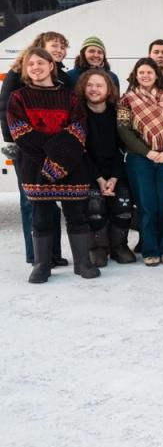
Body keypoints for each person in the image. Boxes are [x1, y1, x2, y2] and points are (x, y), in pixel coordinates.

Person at [7, 47, 99, 282]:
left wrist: (59, 160)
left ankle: (82, 263)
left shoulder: (69, 97)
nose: (35, 68)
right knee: (41, 217)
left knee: (77, 215)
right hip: (35, 165)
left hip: (72, 164)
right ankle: (42, 265)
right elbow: (20, 132)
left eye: (40, 63)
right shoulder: (18, 97)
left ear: (51, 66)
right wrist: (51, 159)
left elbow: (78, 129)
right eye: (30, 64)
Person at [0, 32, 70, 267]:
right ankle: (36, 256)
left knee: (52, 199)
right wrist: (11, 140)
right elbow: (4, 107)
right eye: (54, 46)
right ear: (40, 47)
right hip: (27, 149)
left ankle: (54, 254)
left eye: (62, 47)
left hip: (54, 150)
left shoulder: (61, 75)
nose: (59, 49)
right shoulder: (18, 73)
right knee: (30, 201)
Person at [117, 58, 163, 267]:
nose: (145, 76)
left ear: (157, 75)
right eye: (141, 73)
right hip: (140, 159)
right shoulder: (126, 99)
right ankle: (149, 249)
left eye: (149, 72)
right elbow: (124, 129)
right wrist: (147, 152)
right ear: (135, 75)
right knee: (147, 205)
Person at [76, 70, 136, 266]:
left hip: (117, 171)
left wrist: (114, 178)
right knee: (95, 209)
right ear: (83, 88)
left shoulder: (119, 113)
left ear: (109, 89)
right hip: (89, 171)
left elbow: (124, 146)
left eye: (99, 85)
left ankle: (119, 246)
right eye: (90, 85)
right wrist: (100, 179)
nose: (94, 89)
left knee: (123, 207)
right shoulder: (78, 114)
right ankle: (98, 248)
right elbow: (81, 151)